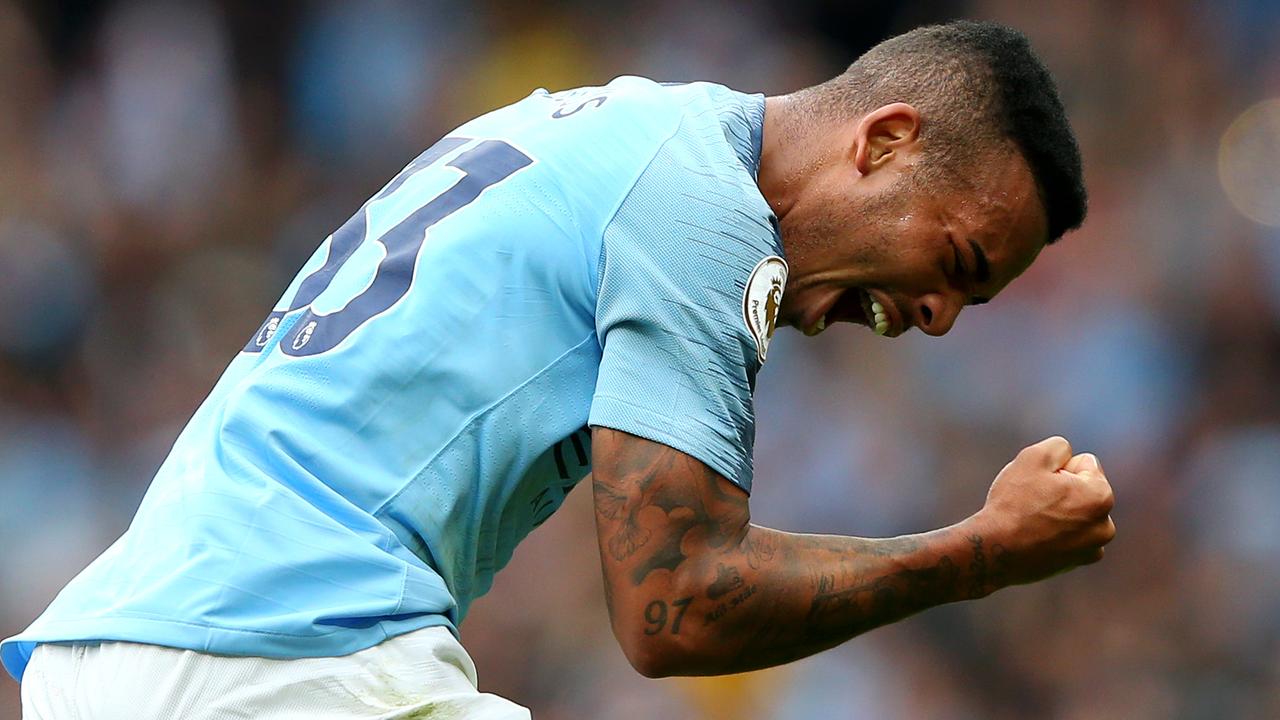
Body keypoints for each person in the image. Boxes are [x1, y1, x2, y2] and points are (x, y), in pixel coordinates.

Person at [5, 19, 1114, 718]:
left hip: (114, 651)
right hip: (278, 658)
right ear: (882, 141)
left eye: (969, 303)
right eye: (954, 263)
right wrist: (978, 553)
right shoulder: (707, 214)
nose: (932, 319)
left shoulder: (615, 125)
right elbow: (677, 608)